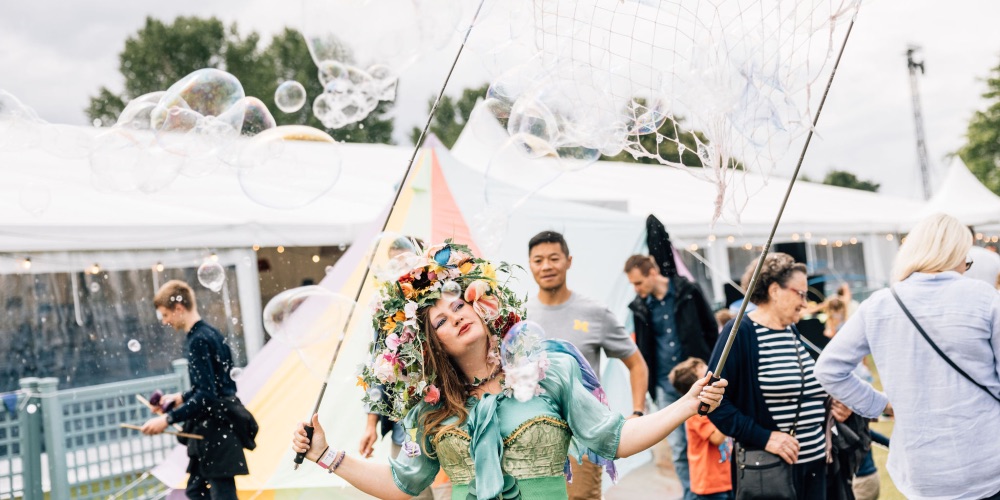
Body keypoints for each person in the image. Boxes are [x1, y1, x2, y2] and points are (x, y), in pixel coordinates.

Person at [291, 242, 727, 500]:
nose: (456, 316)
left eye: (459, 304)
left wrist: (687, 405)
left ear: (480, 305)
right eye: (439, 320)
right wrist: (325, 455)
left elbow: (614, 439)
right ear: (429, 344)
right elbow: (402, 483)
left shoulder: (548, 370)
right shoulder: (430, 406)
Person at [815, 213, 1000, 500]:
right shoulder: (985, 298)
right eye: (967, 259)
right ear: (954, 254)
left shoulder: (879, 304)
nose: (966, 267)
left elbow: (828, 368)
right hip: (986, 460)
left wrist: (881, 404)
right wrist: (881, 403)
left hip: (922, 469)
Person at [525, 231, 649, 500]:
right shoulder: (520, 317)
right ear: (530, 264)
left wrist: (637, 412)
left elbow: (636, 363)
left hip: (583, 437)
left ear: (569, 261)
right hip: (530, 439)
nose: (546, 266)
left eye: (554, 258)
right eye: (538, 260)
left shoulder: (594, 313)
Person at [706, 253, 838, 499]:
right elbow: (712, 403)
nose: (805, 303)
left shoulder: (792, 332)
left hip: (815, 467)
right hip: (771, 472)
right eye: (800, 293)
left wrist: (832, 404)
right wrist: (763, 437)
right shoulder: (740, 332)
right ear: (775, 290)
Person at [141, 280, 253, 500]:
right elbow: (215, 386)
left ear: (179, 308)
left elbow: (207, 395)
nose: (165, 321)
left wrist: (167, 419)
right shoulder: (211, 333)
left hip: (215, 431)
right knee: (196, 491)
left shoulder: (198, 341)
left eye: (165, 315)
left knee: (221, 495)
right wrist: (180, 398)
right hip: (219, 427)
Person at [624, 254, 718, 500]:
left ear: (652, 273)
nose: (636, 289)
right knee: (678, 446)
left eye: (638, 282)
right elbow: (643, 350)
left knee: (709, 439)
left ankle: (714, 491)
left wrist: (715, 370)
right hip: (665, 385)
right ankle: (691, 495)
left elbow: (710, 329)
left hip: (698, 380)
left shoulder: (688, 291)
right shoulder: (640, 306)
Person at [669, 358, 732, 500]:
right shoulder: (696, 414)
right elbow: (717, 438)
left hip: (726, 480)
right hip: (709, 485)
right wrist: (730, 413)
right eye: (707, 377)